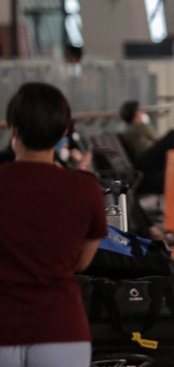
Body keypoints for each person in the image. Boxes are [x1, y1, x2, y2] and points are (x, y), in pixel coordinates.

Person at [0, 83, 107, 367]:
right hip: (61, 329)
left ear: (13, 131)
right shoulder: (85, 188)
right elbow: (82, 262)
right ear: (62, 134)